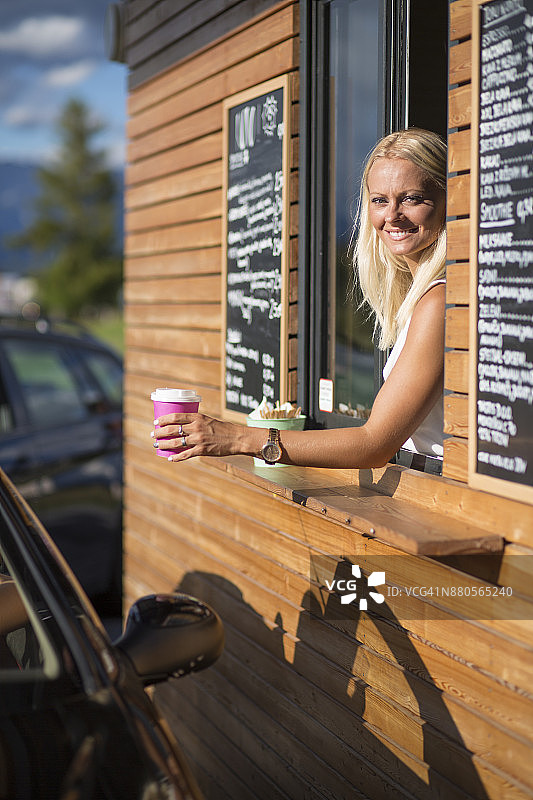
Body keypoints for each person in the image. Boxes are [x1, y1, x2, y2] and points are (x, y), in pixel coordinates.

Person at [151, 128, 447, 470]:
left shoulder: (439, 302)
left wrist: (237, 438)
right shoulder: (424, 295)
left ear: (446, 200)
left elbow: (373, 445)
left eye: (412, 198)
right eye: (380, 200)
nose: (392, 215)